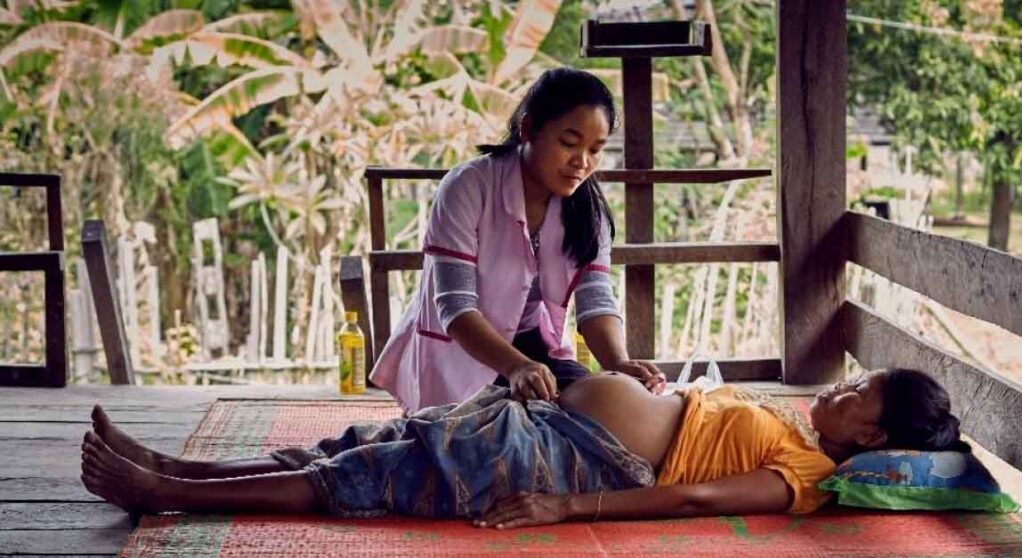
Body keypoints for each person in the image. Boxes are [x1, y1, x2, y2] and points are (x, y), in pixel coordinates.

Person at [81, 368, 969, 526]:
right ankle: (179, 468)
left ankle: (170, 496)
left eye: (859, 398)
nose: (840, 392)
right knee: (370, 442)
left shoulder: (805, 479)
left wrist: (569, 505)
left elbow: (694, 498)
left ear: (873, 439)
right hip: (557, 427)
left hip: (574, 466)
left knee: (371, 479)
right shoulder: (794, 426)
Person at [369, 67, 666, 413]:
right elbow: (455, 307)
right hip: (460, 350)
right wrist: (515, 367)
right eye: (569, 143)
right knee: (479, 437)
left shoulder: (589, 211)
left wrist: (620, 365)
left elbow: (595, 299)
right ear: (528, 129)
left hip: (532, 351)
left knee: (608, 407)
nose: (582, 163)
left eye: (595, 150)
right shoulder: (468, 186)